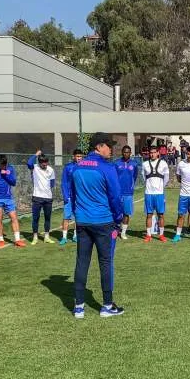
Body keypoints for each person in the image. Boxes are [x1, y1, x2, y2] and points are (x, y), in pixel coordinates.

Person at [68, 132, 125, 319]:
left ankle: (79, 307)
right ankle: (107, 306)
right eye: (109, 145)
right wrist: (118, 218)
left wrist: (79, 214)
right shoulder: (107, 168)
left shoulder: (77, 167)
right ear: (99, 147)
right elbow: (115, 197)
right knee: (106, 262)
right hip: (103, 222)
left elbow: (73, 194)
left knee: (82, 261)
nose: (111, 149)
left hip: (83, 221)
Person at [0, 154, 26, 248]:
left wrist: (6, 174)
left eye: (5, 164)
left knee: (13, 217)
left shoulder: (10, 168)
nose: (3, 166)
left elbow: (13, 182)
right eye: (2, 165)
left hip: (8, 198)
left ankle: (17, 240)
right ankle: (1, 240)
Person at [142, 145, 170, 242]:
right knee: (149, 214)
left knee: (161, 215)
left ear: (158, 153)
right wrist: (149, 186)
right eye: (151, 152)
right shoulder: (145, 164)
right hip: (148, 193)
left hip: (159, 193)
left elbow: (166, 177)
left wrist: (161, 187)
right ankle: (148, 235)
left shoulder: (163, 163)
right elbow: (143, 178)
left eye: (154, 152)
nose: (152, 154)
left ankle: (161, 235)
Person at [28, 152, 56, 245]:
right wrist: (36, 154)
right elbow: (29, 163)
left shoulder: (51, 170)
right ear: (39, 162)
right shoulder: (35, 167)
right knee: (35, 218)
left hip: (48, 198)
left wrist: (46, 190)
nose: (44, 164)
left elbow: (52, 183)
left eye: (46, 162)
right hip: (37, 197)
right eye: (42, 162)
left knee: (47, 218)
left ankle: (47, 237)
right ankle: (35, 237)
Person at [114, 145, 140, 240]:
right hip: (117, 193)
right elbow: (114, 177)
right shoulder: (116, 163)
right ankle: (115, 231)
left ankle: (123, 233)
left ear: (130, 153)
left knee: (126, 213)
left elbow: (135, 176)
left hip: (128, 193)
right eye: (124, 152)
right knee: (116, 213)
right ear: (122, 152)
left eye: (128, 152)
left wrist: (130, 186)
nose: (126, 153)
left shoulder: (134, 164)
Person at [60, 149, 84, 245]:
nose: (79, 158)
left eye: (80, 156)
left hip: (79, 197)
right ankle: (64, 237)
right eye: (77, 156)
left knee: (77, 217)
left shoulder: (83, 167)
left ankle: (75, 236)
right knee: (66, 217)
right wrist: (66, 196)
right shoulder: (68, 167)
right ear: (73, 156)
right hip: (69, 197)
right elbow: (64, 182)